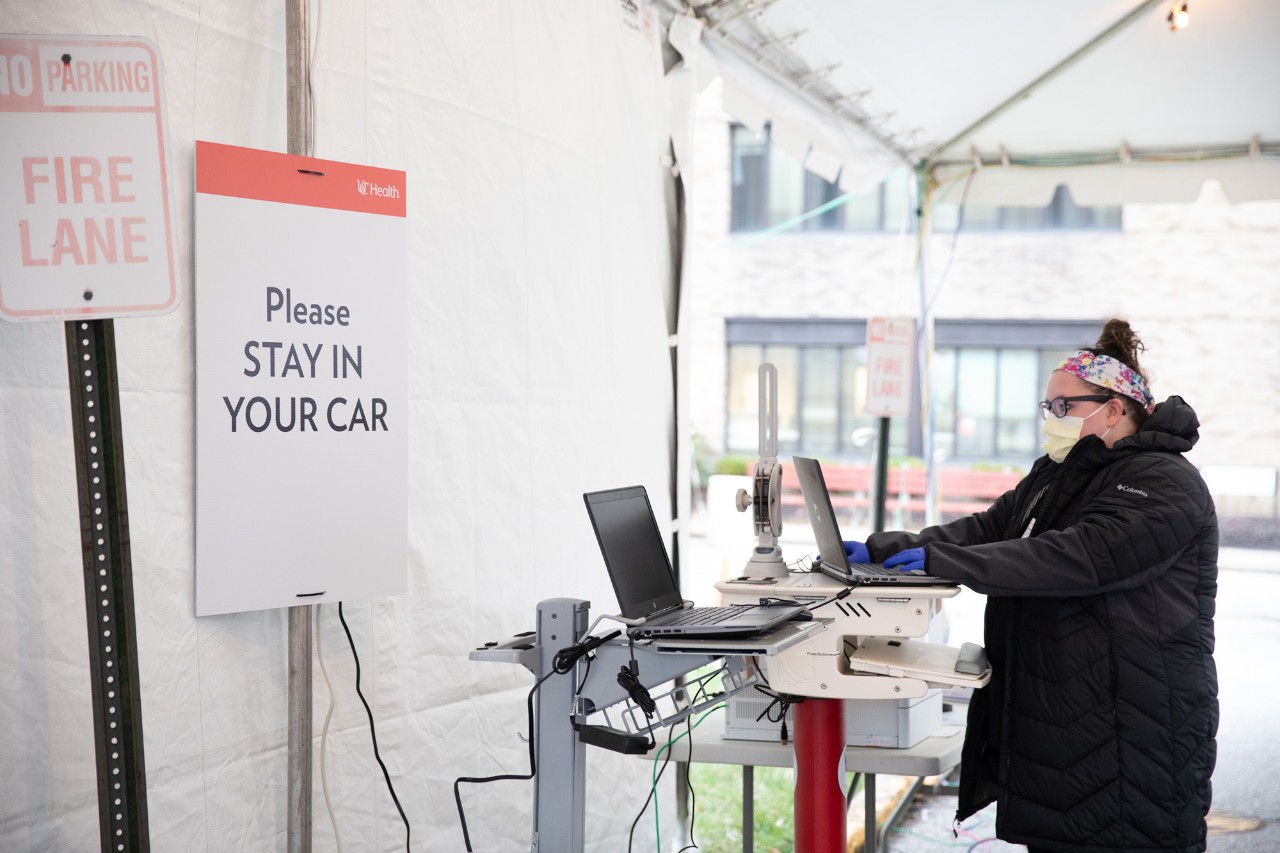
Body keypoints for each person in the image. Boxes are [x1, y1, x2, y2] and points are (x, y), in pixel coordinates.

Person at [844, 319, 1218, 853]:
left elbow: (1076, 557)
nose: (1053, 419)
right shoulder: (1057, 473)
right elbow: (988, 530)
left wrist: (944, 561)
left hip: (1132, 731)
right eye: (1049, 407)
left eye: (1065, 407)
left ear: (1115, 410)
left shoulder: (1164, 480)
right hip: (1070, 724)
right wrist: (885, 550)